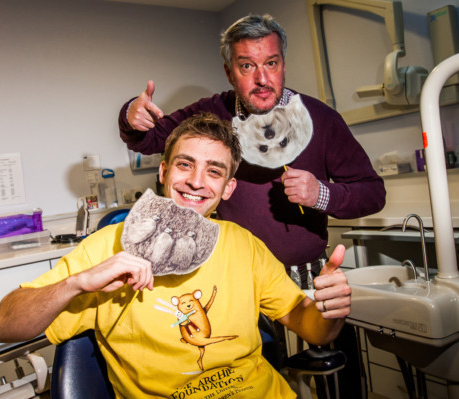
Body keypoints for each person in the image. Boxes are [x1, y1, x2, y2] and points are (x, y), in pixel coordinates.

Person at [0, 113, 352, 399]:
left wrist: (329, 311)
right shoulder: (103, 249)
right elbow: (1, 326)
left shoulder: (243, 245)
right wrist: (76, 283)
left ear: (228, 189)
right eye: (184, 164)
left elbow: (312, 330)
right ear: (163, 171)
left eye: (214, 172)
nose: (196, 181)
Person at [119, 14, 384, 398]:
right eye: (247, 66)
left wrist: (320, 194)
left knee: (329, 387)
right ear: (230, 73)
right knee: (248, 381)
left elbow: (372, 192)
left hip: (305, 279)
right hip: (233, 278)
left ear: (283, 66)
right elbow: (149, 138)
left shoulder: (321, 120)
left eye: (271, 64)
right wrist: (132, 115)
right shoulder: (212, 113)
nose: (262, 78)